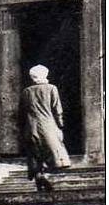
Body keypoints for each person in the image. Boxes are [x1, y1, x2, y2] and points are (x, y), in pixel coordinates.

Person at [18, 63, 71, 194]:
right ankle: (44, 178)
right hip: (48, 126)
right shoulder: (52, 88)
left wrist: (22, 128)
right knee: (51, 154)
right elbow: (57, 109)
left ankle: (39, 178)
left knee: (35, 154)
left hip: (31, 127)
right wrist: (60, 124)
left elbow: (21, 113)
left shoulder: (26, 92)